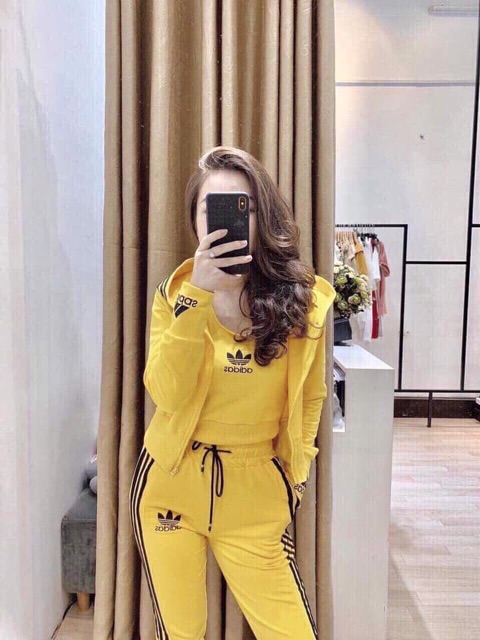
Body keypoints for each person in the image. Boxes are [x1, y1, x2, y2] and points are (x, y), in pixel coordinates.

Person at [129, 146, 335, 639]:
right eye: (212, 208)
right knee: (181, 633)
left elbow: (312, 397)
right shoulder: (176, 293)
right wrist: (196, 298)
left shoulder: (302, 301)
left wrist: (296, 477)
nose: (224, 221)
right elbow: (166, 394)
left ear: (262, 217)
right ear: (196, 219)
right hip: (171, 486)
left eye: (243, 207)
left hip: (255, 493)